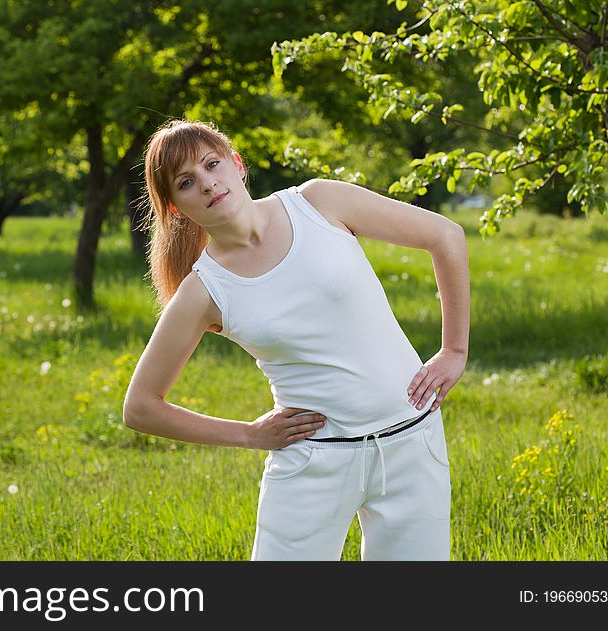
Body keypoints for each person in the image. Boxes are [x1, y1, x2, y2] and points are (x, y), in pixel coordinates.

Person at [123, 118, 470, 561]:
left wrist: (454, 350)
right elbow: (141, 407)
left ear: (237, 164)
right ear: (174, 207)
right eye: (187, 182)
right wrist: (249, 435)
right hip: (313, 462)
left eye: (213, 165)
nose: (208, 184)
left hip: (411, 441)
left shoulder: (319, 203)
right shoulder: (203, 290)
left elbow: (445, 235)